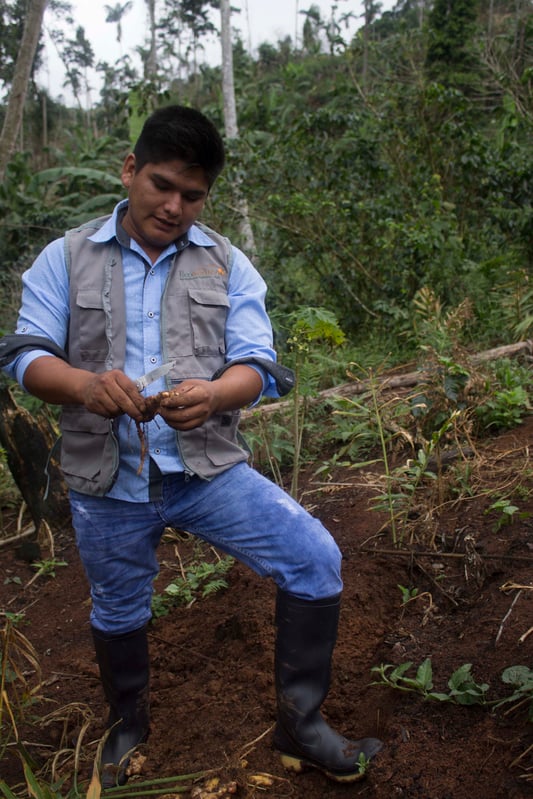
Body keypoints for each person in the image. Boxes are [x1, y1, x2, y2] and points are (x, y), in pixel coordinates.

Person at [1, 105, 382, 787]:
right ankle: (128, 725)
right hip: (107, 482)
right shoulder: (65, 258)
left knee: (314, 557)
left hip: (206, 471)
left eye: (192, 194)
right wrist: (86, 385)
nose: (174, 206)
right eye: (161, 185)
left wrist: (213, 395)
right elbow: (26, 356)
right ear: (129, 171)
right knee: (118, 606)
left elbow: (257, 365)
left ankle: (304, 725)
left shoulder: (225, 263)